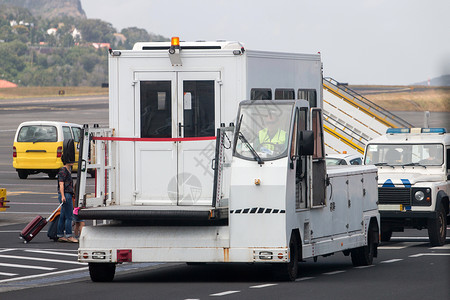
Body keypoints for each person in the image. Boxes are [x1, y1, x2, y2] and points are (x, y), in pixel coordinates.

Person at [56, 160, 78, 243]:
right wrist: (63, 196)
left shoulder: (68, 170)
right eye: (69, 160)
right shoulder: (63, 171)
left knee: (63, 216)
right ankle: (69, 235)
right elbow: (61, 184)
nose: (72, 161)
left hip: (66, 194)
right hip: (66, 195)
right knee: (69, 216)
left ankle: (60, 235)